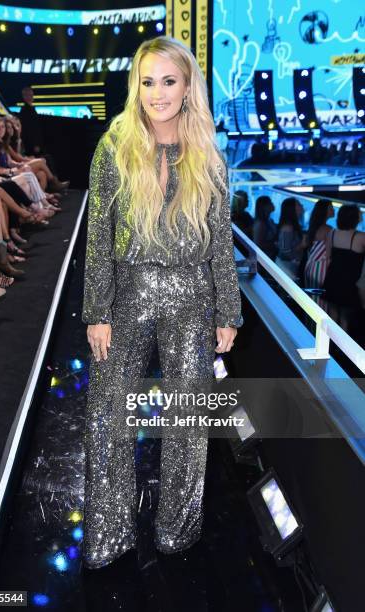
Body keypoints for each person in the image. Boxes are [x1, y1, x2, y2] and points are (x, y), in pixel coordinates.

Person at [82, 36, 243, 569]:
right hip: (128, 294)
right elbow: (98, 236)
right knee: (107, 416)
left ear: (187, 85)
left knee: (187, 423)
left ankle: (177, 530)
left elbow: (221, 236)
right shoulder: (115, 145)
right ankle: (108, 535)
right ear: (137, 86)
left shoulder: (207, 152)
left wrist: (228, 311)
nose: (157, 93)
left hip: (192, 296)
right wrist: (98, 311)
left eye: (168, 81)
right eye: (147, 81)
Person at [324, 205, 365, 309]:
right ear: (354, 217)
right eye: (360, 212)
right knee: (346, 317)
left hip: (332, 278)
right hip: (350, 281)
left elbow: (328, 256)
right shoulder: (361, 237)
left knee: (332, 313)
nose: (362, 214)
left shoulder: (332, 233)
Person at [304, 199, 334, 289]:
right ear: (324, 211)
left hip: (311, 266)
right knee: (319, 299)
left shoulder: (314, 227)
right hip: (321, 268)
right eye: (331, 208)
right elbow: (329, 255)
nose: (333, 210)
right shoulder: (328, 229)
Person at [275, 197, 306, 281]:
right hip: (286, 268)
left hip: (291, 266)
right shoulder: (287, 228)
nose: (302, 206)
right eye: (299, 204)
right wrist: (302, 245)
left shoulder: (294, 225)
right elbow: (285, 251)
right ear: (292, 209)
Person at [253, 195, 277, 259]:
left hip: (271, 255)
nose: (273, 204)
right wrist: (275, 245)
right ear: (264, 207)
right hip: (264, 259)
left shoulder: (270, 220)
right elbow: (258, 244)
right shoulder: (260, 224)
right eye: (270, 202)